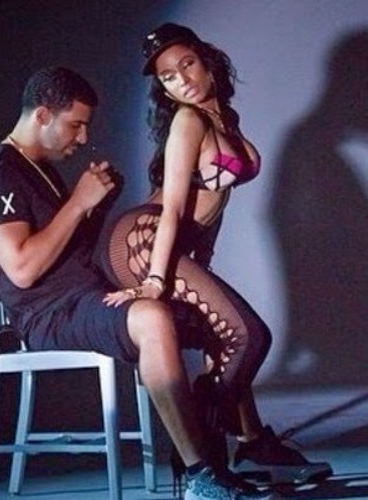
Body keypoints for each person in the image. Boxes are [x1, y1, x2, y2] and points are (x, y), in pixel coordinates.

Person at [0, 66, 278, 499]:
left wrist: (95, 209)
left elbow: (66, 254)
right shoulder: (0, 175)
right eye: (75, 125)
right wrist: (79, 202)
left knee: (214, 318)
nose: (83, 138)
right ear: (42, 115)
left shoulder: (39, 168)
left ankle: (240, 446)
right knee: (151, 318)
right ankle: (199, 476)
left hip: (86, 300)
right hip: (49, 315)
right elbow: (22, 269)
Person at [94, 22, 333, 490]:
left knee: (227, 335)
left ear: (206, 61)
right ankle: (200, 453)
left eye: (186, 64)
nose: (181, 80)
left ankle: (250, 445)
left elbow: (212, 210)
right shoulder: (189, 120)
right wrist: (156, 280)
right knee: (250, 336)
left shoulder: (223, 117)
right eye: (167, 76)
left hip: (170, 244)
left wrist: (198, 266)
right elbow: (174, 208)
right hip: (142, 237)